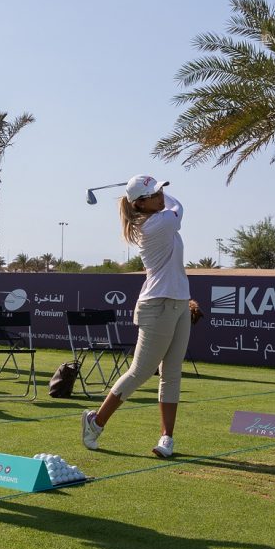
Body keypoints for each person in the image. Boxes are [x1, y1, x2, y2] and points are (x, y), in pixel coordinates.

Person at [80, 175, 190, 459]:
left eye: (160, 191)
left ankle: (167, 438)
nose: (160, 196)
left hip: (178, 302)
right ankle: (96, 422)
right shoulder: (157, 224)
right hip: (157, 305)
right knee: (140, 372)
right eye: (153, 194)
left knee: (172, 374)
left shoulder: (157, 217)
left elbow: (169, 203)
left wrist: (149, 187)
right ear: (140, 204)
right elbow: (180, 207)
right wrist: (158, 193)